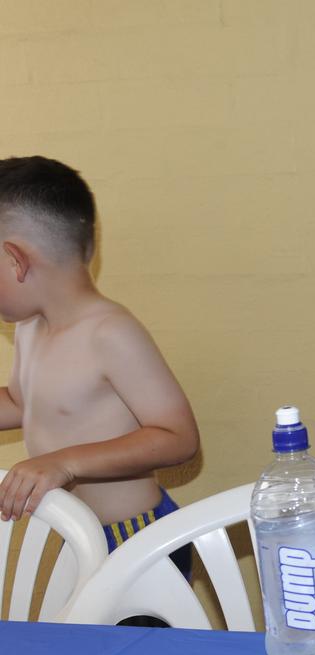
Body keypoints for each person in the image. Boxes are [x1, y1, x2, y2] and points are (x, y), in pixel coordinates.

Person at [0, 156, 199, 573]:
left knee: (135, 642)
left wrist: (65, 462)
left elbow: (178, 438)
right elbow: (26, 403)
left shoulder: (110, 333)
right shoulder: (32, 328)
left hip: (134, 537)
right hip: (76, 535)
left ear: (16, 260)